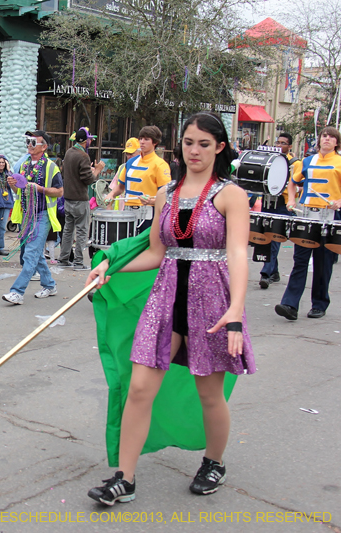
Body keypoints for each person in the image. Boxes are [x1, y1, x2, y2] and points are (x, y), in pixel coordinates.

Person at [86, 112, 254, 505]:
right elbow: (157, 253)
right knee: (140, 389)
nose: (194, 150)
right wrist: (110, 265)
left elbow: (237, 256)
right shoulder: (167, 194)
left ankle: (214, 462)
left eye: (204, 144)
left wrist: (237, 312)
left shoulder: (231, 195)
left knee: (209, 394)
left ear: (220, 148)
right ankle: (123, 479)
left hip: (213, 302)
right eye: (189, 142)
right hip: (165, 300)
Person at [275, 126, 341, 320]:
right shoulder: (307, 161)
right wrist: (292, 200)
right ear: (319, 140)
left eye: (331, 137)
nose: (327, 139)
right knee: (300, 261)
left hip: (329, 218)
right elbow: (293, 182)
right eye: (324, 136)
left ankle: (319, 304)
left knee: (323, 262)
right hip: (306, 215)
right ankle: (290, 304)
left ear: (337, 142)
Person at [2, 130, 63, 305]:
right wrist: (13, 185)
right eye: (28, 142)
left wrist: (40, 188)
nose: (29, 145)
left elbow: (59, 191)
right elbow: (20, 191)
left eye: (33, 142)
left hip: (42, 215)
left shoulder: (51, 166)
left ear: (44, 147)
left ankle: (17, 292)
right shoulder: (25, 166)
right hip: (27, 214)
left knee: (30, 254)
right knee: (36, 254)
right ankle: (50, 285)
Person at [104, 126, 171, 232]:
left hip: (149, 214)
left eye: (146, 139)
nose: (142, 142)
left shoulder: (161, 165)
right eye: (141, 138)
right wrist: (111, 194)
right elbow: (120, 187)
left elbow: (166, 196)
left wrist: (151, 201)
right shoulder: (130, 162)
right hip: (128, 212)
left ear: (155, 142)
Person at [59, 127, 104, 269]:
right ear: (85, 141)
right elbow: (88, 179)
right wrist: (97, 170)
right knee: (82, 230)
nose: (90, 141)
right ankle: (78, 262)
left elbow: (66, 173)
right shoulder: (83, 156)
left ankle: (63, 259)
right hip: (80, 199)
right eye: (89, 139)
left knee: (68, 230)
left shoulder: (69, 153)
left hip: (68, 198)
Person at [259, 132, 295, 289]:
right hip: (267, 202)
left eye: (283, 143)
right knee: (265, 237)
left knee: (274, 239)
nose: (279, 145)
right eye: (277, 142)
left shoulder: (294, 163)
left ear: (290, 146)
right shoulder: (271, 160)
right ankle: (274, 271)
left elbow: (295, 185)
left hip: (282, 204)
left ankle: (265, 274)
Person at [108, 138, 142, 211]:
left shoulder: (145, 168)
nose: (129, 156)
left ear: (140, 152)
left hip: (139, 210)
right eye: (127, 154)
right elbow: (115, 188)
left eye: (131, 154)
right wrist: (109, 204)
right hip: (121, 212)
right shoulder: (122, 167)